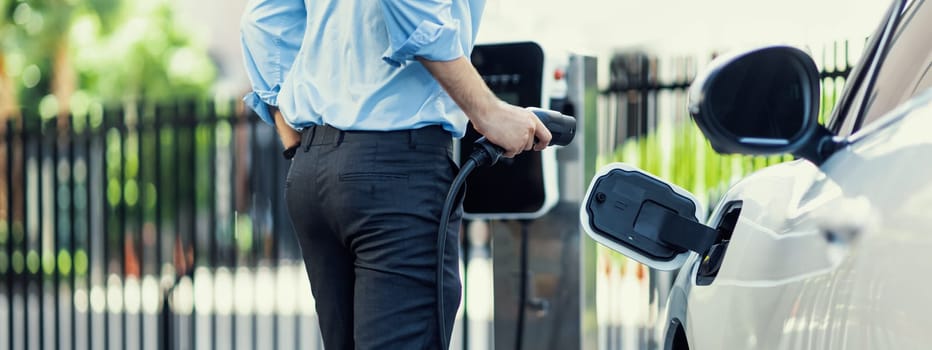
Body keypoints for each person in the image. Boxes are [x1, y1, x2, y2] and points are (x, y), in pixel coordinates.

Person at [240, 1, 552, 348]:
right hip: (394, 173)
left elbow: (264, 22)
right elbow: (416, 11)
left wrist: (298, 139)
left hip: (314, 168)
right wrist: (489, 112)